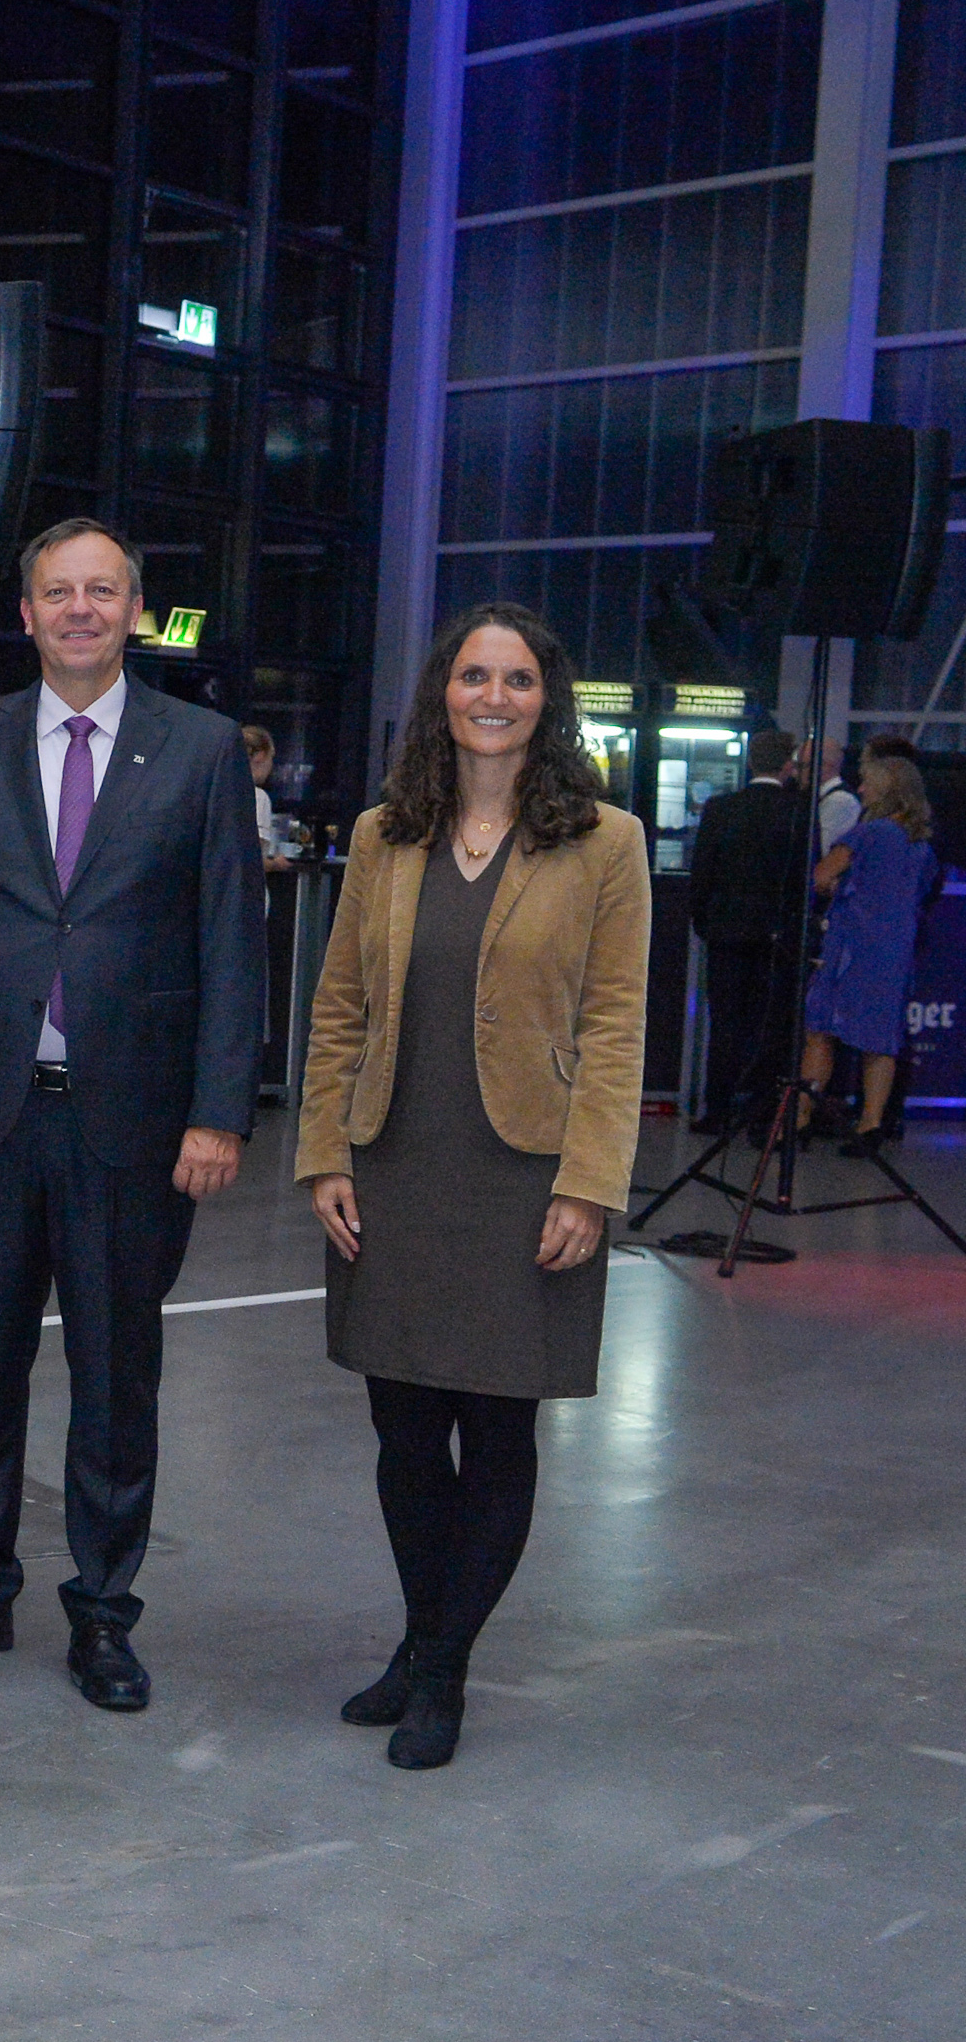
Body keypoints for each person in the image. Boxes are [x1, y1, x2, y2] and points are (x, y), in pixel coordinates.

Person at [0, 518, 263, 1712]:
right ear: (26, 613)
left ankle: (101, 1609)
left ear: (135, 610)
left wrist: (217, 1113)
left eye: (101, 590)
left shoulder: (199, 749)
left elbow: (230, 941)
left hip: (132, 1121)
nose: (79, 608)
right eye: (58, 591)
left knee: (114, 1372)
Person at [297, 603, 647, 1769]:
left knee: (497, 1427)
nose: (492, 696)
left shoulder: (603, 842)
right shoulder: (384, 833)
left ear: (546, 700)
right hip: (394, 1163)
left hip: (525, 1176)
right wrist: (323, 1152)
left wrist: (588, 1184)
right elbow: (338, 1005)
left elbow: (616, 1025)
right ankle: (422, 1638)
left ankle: (440, 1668)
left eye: (516, 679)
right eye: (472, 675)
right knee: (402, 1427)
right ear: (440, 693)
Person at [799, 751, 938, 1157]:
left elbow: (821, 875)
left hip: (851, 948)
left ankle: (800, 1119)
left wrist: (836, 889)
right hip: (894, 951)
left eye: (867, 783)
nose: (860, 789)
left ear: (886, 790)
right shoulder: (921, 845)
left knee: (820, 1031)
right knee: (880, 1041)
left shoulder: (868, 833)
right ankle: (871, 1124)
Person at [685, 725, 807, 1137]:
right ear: (788, 765)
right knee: (771, 1026)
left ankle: (717, 1109)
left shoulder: (721, 808)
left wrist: (704, 921)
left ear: (751, 761)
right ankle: (762, 1115)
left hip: (727, 933)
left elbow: (702, 872)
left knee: (725, 1023)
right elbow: (804, 877)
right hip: (778, 937)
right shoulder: (799, 810)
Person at [243, 724, 293, 873]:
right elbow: (251, 860)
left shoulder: (214, 793)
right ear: (260, 756)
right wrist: (275, 864)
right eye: (271, 757)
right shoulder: (258, 798)